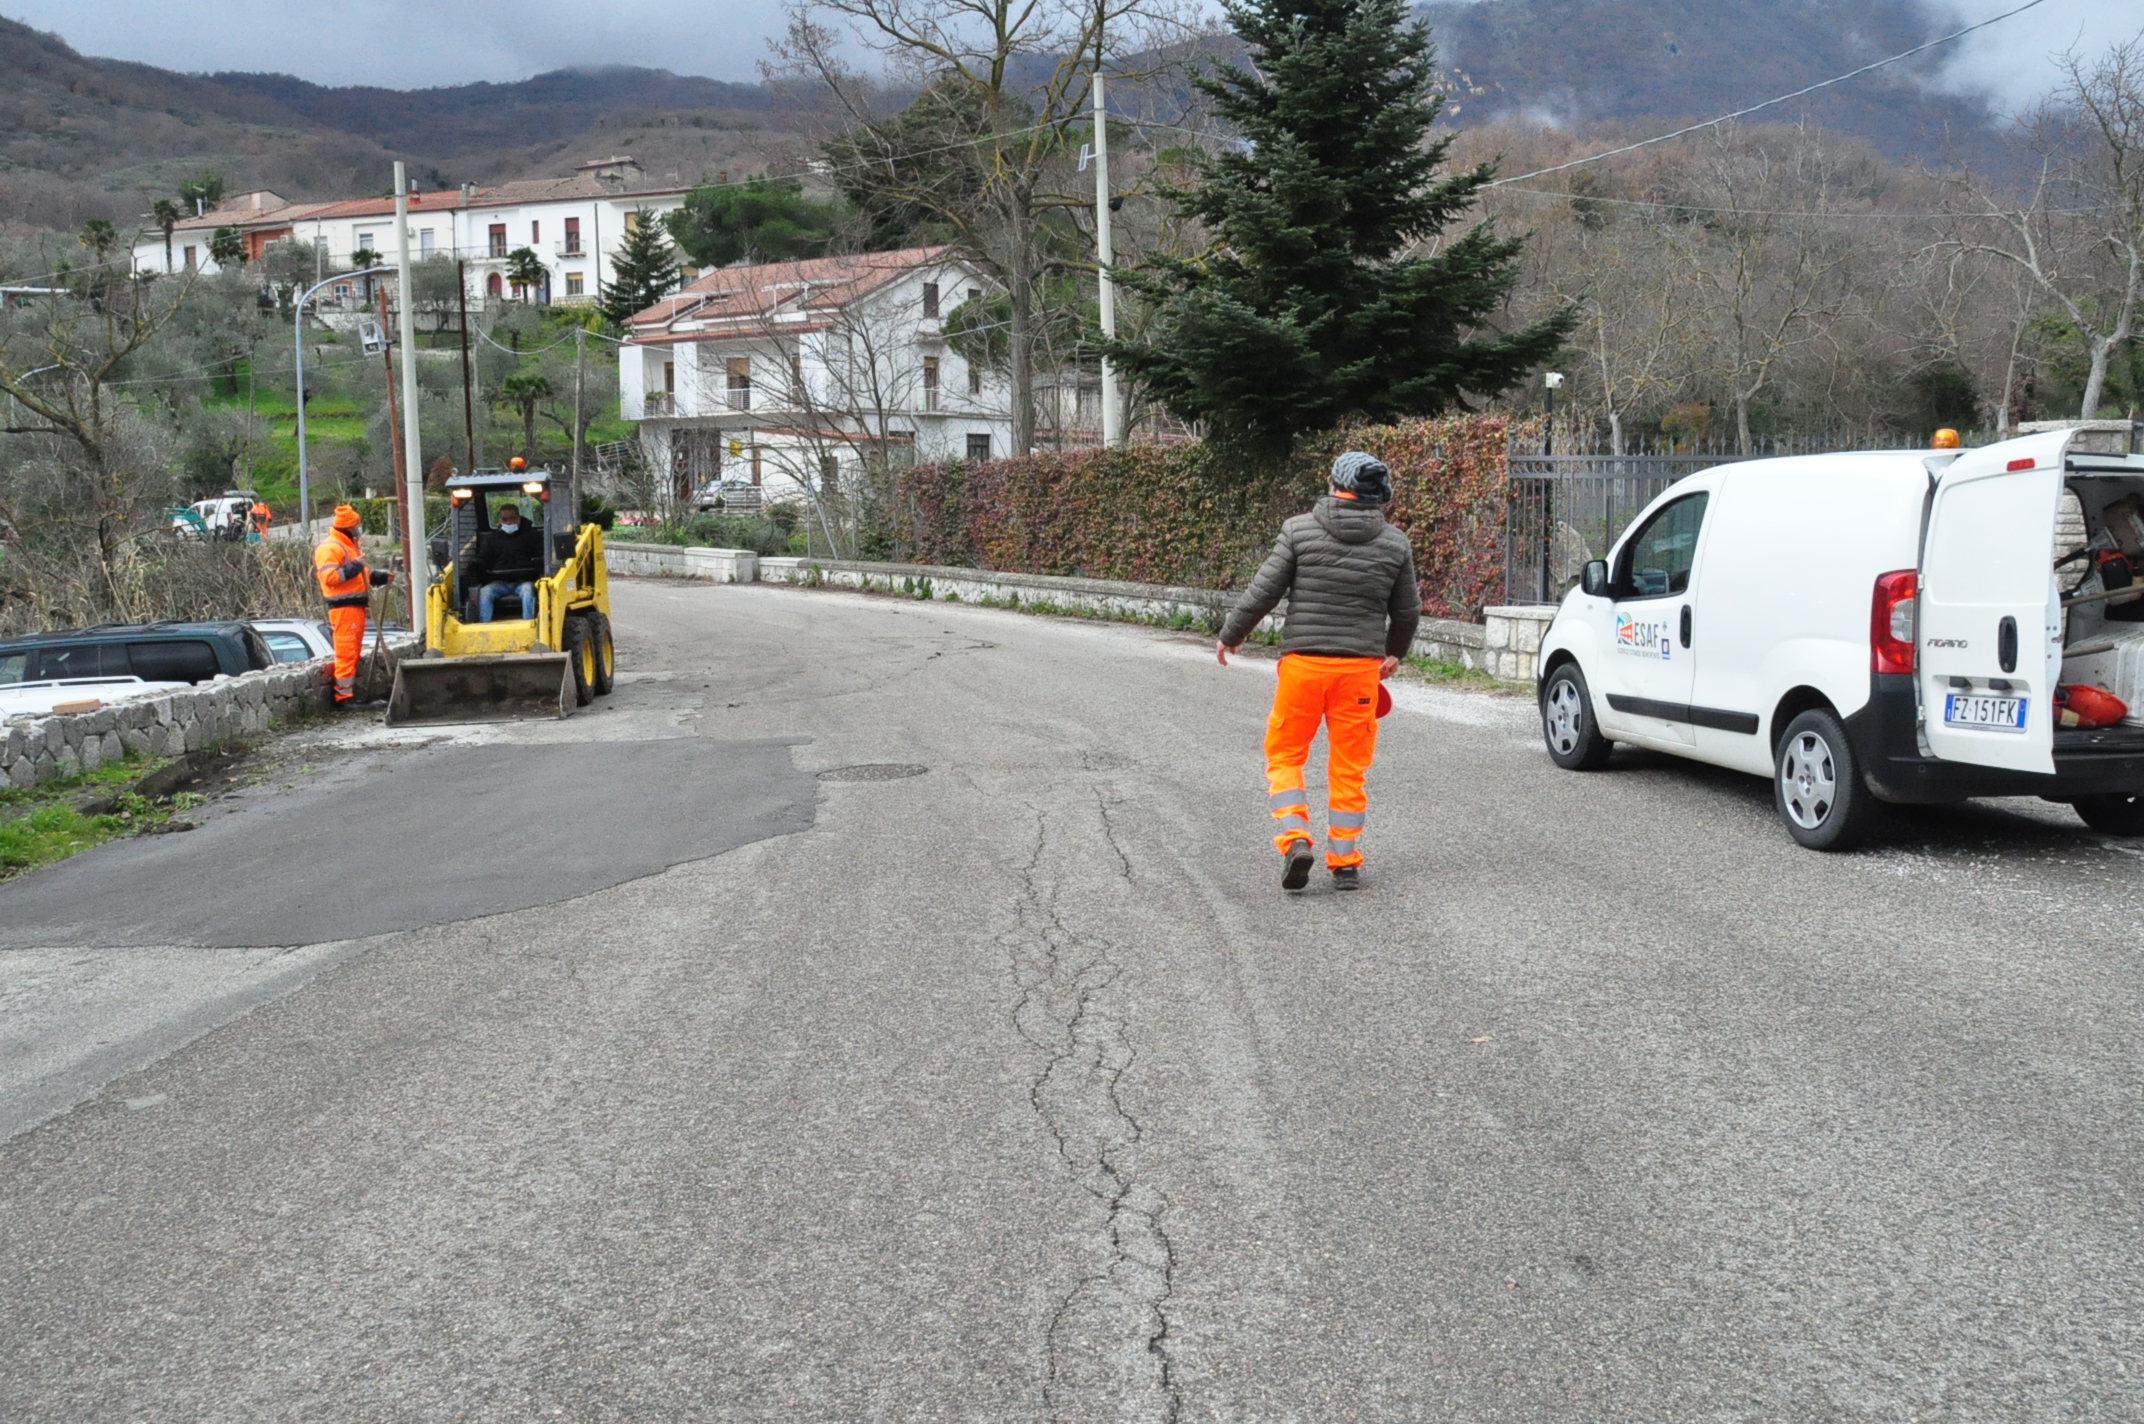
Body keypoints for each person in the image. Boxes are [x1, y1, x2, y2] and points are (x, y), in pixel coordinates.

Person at [1217, 451, 1422, 892]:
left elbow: (1264, 590)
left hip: (1303, 667)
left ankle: (1295, 838)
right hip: (1360, 673)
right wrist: (1394, 652)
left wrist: (1232, 633)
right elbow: (1407, 610)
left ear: (1334, 485)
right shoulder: (1394, 542)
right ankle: (1344, 860)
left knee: (1286, 755)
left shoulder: (1299, 529)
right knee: (1349, 766)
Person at [313, 504, 394, 706]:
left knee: (353, 651)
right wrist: (355, 566)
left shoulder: (349, 546)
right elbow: (330, 578)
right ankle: (343, 698)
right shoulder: (330, 548)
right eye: (356, 525)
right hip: (343, 609)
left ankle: (347, 695)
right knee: (347, 651)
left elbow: (361, 578)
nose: (359, 528)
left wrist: (379, 577)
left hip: (354, 607)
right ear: (349, 527)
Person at [470, 500, 544, 621]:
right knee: (484, 592)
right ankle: (483, 627)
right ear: (501, 520)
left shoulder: (533, 536)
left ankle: (529, 624)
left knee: (528, 591)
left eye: (512, 518)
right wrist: (476, 564)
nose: (509, 522)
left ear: (519, 518)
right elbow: (483, 557)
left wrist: (537, 563)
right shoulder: (493, 539)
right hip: (500, 582)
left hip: (524, 581)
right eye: (505, 519)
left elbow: (541, 554)